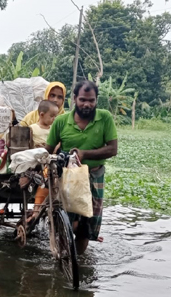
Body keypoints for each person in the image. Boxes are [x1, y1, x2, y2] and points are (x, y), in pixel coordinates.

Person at [45, 80, 118, 255]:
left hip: (94, 176)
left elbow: (112, 149)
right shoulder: (61, 122)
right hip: (67, 177)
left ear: (96, 101)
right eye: (83, 100)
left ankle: (78, 259)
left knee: (88, 222)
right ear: (75, 99)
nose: (87, 104)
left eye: (91, 100)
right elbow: (48, 150)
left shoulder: (105, 118)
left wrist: (84, 154)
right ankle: (63, 255)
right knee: (65, 219)